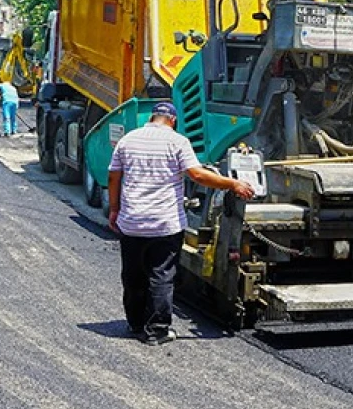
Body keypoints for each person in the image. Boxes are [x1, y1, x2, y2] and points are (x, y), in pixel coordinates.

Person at [107, 101, 255, 345]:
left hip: (132, 221)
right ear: (173, 120)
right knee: (161, 275)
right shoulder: (178, 141)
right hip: (165, 224)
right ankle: (157, 330)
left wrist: (114, 208)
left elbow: (113, 176)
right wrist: (232, 183)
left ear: (153, 118)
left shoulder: (129, 139)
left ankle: (134, 323)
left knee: (133, 275)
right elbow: (196, 174)